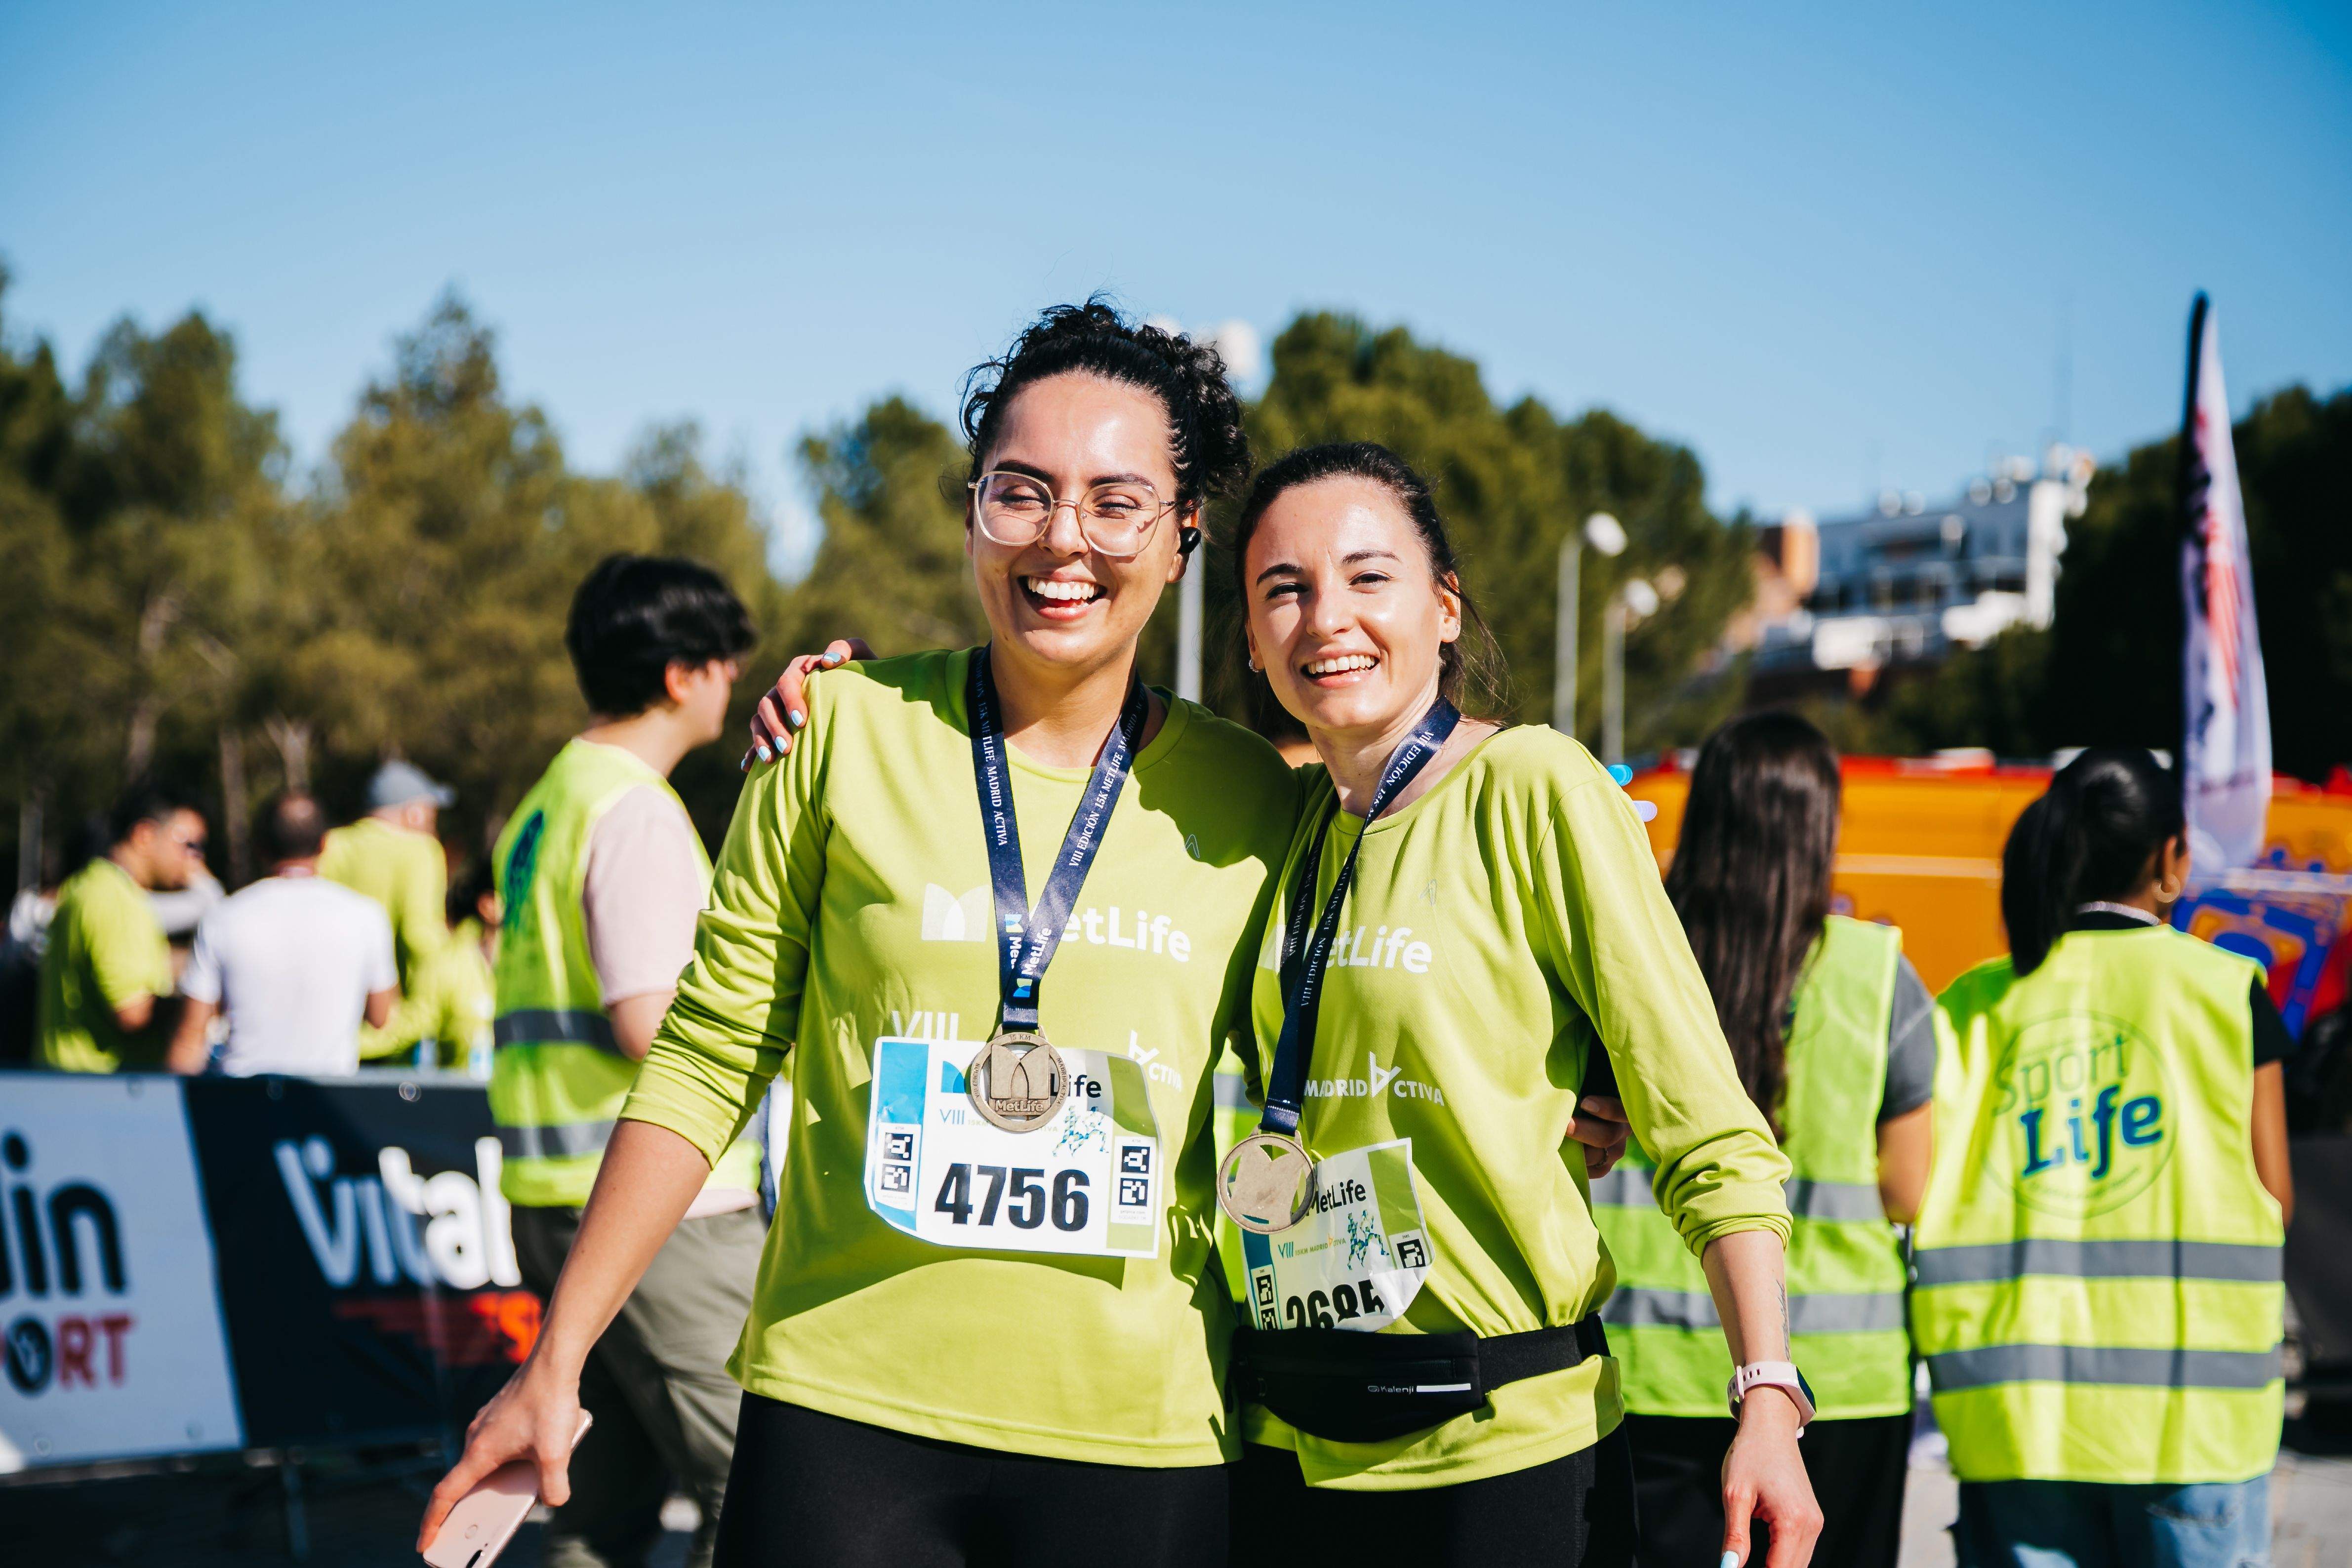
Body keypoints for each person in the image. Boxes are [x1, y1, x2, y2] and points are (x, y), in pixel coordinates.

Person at [424, 302, 1297, 1568]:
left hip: (1143, 1432)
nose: (1063, 539)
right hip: (847, 1415)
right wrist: (555, 1355)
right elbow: (707, 1052)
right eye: (1021, 492)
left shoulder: (1257, 797)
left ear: (1182, 537)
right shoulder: (836, 731)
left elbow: (1353, 1030)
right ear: (970, 511)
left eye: (1117, 503)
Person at [1208, 442, 1818, 1568]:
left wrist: (1767, 1393)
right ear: (1250, 636)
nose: (1323, 616)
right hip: (1289, 1438)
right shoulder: (1278, 823)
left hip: (1500, 1454)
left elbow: (1707, 1123)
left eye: (1366, 576)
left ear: (1444, 608)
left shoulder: (1535, 785)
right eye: (1282, 589)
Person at [1913, 747, 2294, 1568]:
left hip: (2014, 1424)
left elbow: (1917, 1188)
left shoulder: (1970, 1003)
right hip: (2191, 1424)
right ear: (2170, 859)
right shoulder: (2228, 992)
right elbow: (2276, 1195)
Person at [464, 552, 763, 1568]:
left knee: (602, 1509)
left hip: (554, 1197)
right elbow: (652, 1020)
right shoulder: (634, 808)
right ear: (683, 673)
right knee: (762, 1493)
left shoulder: (552, 797)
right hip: (657, 1214)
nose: (733, 683)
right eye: (725, 663)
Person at [1593, 713, 1932, 1568]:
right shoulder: (1876, 975)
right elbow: (1909, 1189)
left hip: (1642, 1375)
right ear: (1819, 831)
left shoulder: (1632, 962)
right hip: (1838, 1385)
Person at [167, 791, 399, 1077]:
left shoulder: (223, 918)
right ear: (324, 845)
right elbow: (381, 1017)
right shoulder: (367, 916)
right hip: (328, 1103)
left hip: (244, 1102)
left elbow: (190, 1038)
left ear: (261, 848)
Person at [35, 782, 206, 1073]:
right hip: (102, 1095)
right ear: (144, 835)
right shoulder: (115, 900)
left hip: (70, 1086)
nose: (196, 859)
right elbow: (133, 1012)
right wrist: (202, 1003)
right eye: (189, 844)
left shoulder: (88, 885)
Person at [322, 758, 456, 1057]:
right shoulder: (420, 850)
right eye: (432, 812)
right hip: (387, 1027)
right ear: (414, 813)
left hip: (329, 1020)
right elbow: (419, 936)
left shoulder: (330, 844)